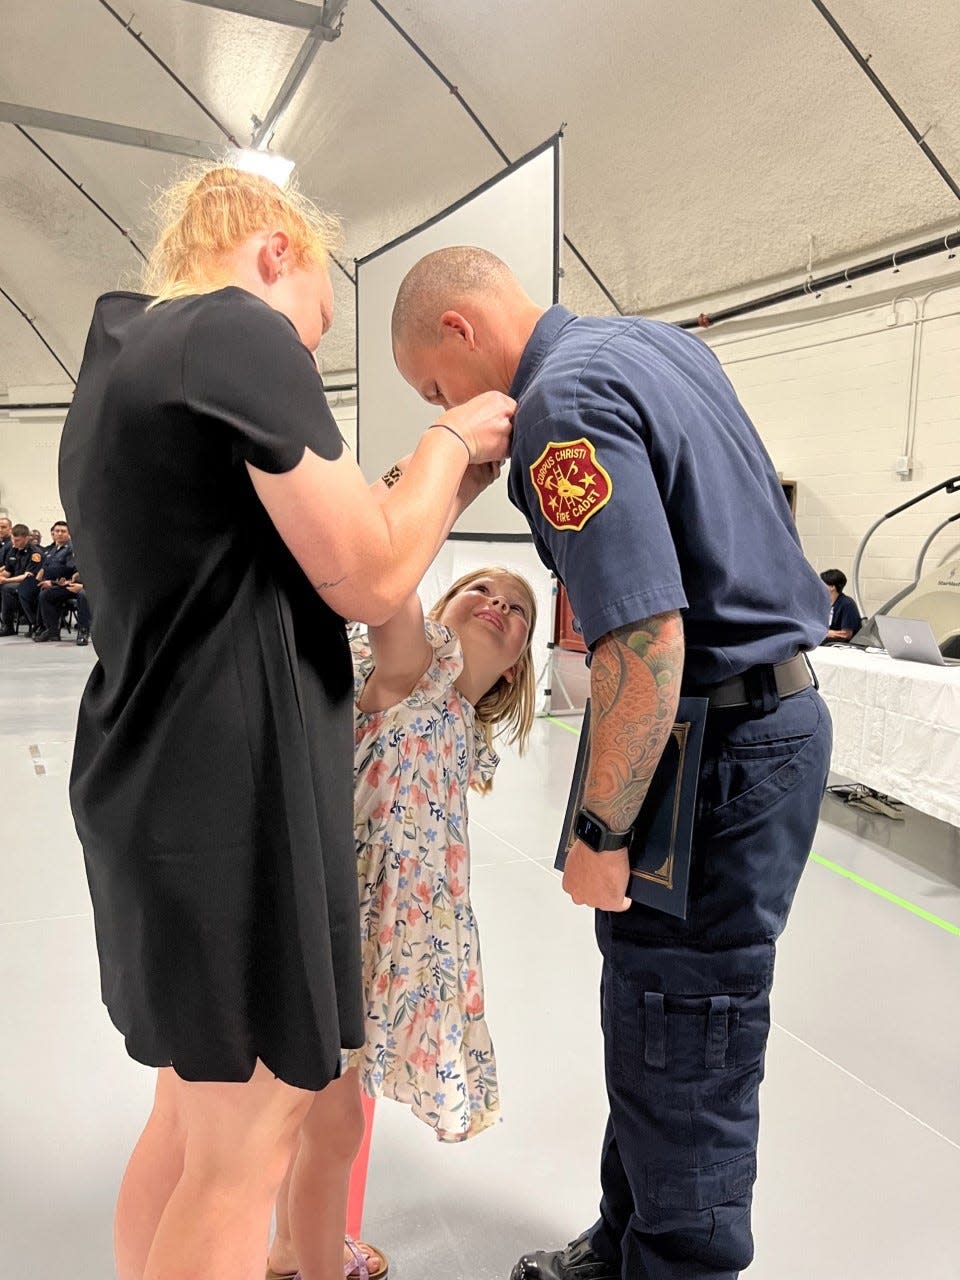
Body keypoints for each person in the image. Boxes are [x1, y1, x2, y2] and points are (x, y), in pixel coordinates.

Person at [57, 171, 514, 1280]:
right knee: (244, 1159)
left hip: (157, 783)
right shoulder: (235, 334)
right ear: (275, 251)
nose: (308, 350)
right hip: (231, 806)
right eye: (317, 319)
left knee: (190, 1127)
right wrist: (453, 443)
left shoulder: (126, 352)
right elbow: (365, 570)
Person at [391, 247, 833, 1280]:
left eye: (434, 389)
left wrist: (600, 830)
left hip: (710, 739)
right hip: (749, 718)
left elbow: (644, 638)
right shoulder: (654, 346)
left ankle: (673, 1256)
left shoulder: (562, 401)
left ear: (460, 330)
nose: (446, 409)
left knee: (686, 1034)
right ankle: (622, 1237)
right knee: (650, 1009)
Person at [268, 564, 537, 1279]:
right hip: (347, 929)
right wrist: (446, 471)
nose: (497, 604)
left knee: (318, 1113)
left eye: (516, 610)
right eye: (480, 589)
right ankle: (317, 1266)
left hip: (390, 938)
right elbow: (388, 593)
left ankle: (290, 1247)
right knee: (333, 1128)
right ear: (442, 612)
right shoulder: (416, 672)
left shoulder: (459, 720)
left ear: (515, 670)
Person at [0, 523, 44, 634]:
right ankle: (7, 624)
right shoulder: (14, 550)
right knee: (5, 586)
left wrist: (5, 580)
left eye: (18, 540)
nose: (14, 543)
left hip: (31, 583)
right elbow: (8, 571)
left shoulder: (35, 553)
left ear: (27, 538)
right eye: (13, 539)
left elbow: (26, 576)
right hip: (15, 582)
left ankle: (8, 626)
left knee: (6, 587)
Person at [820, 568, 861, 642]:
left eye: (822, 584)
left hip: (840, 646)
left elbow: (846, 634)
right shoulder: (824, 603)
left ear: (832, 587)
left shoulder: (847, 604)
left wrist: (824, 633)